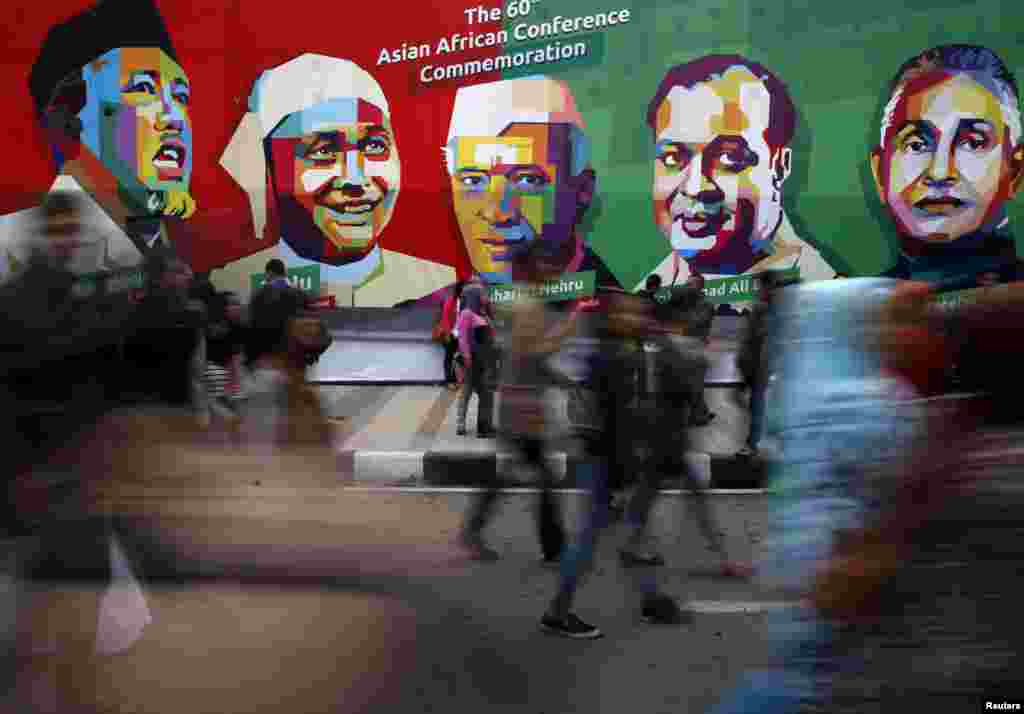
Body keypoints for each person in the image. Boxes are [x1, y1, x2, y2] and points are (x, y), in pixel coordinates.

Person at [220, 53, 454, 306]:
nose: (356, 179)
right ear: (269, 166)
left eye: (375, 146)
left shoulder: (436, 285)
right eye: (323, 151)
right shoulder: (232, 283)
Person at [2, 0, 199, 281]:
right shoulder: (12, 258)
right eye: (143, 88)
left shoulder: (175, 269)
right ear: (66, 117)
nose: (174, 117)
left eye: (180, 97)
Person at [639, 55, 835, 303]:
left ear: (780, 167)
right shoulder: (635, 308)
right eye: (671, 158)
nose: (695, 187)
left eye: (728, 158)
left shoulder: (831, 306)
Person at [460, 242, 583, 563]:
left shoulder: (523, 301)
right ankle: (552, 546)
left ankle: (480, 532)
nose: (551, 271)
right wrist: (569, 327)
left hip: (521, 398)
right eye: (544, 264)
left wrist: (563, 381)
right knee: (539, 476)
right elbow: (535, 354)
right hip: (523, 405)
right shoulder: (528, 304)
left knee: (522, 474)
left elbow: (526, 358)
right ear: (529, 268)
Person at [871, 45, 1024, 290]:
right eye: (916, 144)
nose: (939, 173)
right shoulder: (851, 314)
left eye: (973, 143)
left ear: (1015, 171)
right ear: (880, 174)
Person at [444, 76, 619, 288]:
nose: (496, 213)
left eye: (527, 180)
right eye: (472, 180)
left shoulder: (624, 313)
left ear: (583, 190)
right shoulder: (424, 315)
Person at [736, 271, 781, 455]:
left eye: (758, 286)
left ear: (766, 286)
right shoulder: (774, 307)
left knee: (758, 405)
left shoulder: (762, 308)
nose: (756, 290)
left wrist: (746, 366)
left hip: (762, 364)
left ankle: (753, 444)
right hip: (765, 364)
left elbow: (752, 340)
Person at [454, 284, 496, 439]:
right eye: (483, 294)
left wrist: (488, 312)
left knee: (485, 394)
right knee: (467, 392)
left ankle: (484, 426)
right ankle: (463, 424)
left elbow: (492, 332)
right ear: (474, 296)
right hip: (472, 361)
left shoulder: (481, 313)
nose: (486, 297)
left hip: (482, 360)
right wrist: (467, 358)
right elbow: (462, 338)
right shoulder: (466, 314)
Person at [436, 280, 465, 387]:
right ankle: (450, 381)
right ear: (460, 291)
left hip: (462, 334)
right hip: (452, 333)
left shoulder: (467, 302)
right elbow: (445, 319)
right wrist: (448, 334)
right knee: (449, 357)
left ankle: (459, 379)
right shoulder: (451, 301)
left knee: (460, 357)